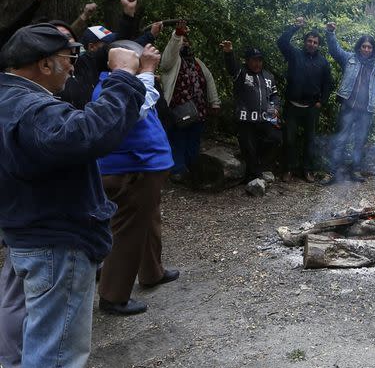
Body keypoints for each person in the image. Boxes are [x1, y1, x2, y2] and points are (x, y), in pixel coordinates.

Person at [0, 24, 146, 368]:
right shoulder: (31, 110)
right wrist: (124, 77)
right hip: (56, 244)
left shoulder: (8, 99)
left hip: (30, 234)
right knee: (55, 362)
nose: (74, 68)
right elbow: (88, 134)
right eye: (69, 59)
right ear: (45, 64)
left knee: (43, 346)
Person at [93, 40, 179, 316]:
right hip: (131, 171)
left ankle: (152, 271)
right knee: (127, 231)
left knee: (149, 219)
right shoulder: (114, 87)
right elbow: (139, 108)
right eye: (137, 58)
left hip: (147, 169)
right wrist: (148, 70)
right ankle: (113, 296)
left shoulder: (128, 83)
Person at [321, 22, 375, 184]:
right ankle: (333, 172)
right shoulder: (349, 59)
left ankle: (355, 171)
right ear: (359, 47)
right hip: (348, 108)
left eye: (369, 47)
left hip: (365, 111)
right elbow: (335, 50)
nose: (366, 49)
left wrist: (369, 100)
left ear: (373, 49)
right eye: (364, 46)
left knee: (359, 141)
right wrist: (330, 33)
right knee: (341, 140)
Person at [160, 20, 221, 178]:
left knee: (193, 142)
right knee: (178, 140)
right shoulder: (171, 62)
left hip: (198, 111)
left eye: (186, 41)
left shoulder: (198, 63)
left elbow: (209, 81)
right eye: (182, 42)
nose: (184, 44)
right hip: (178, 110)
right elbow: (167, 59)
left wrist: (214, 102)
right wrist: (177, 35)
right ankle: (178, 171)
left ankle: (193, 169)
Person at [277, 17, 333, 183]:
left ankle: (308, 170)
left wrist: (321, 102)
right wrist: (295, 27)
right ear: (305, 42)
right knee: (289, 139)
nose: (312, 44)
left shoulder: (323, 62)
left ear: (318, 45)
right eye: (309, 41)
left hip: (311, 108)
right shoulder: (294, 55)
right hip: (292, 106)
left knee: (310, 140)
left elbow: (327, 85)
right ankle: (288, 169)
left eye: (315, 42)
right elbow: (281, 42)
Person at [221, 41, 282, 182]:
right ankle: (253, 177)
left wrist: (275, 109)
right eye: (254, 60)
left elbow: (274, 95)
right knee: (248, 146)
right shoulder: (241, 72)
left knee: (276, 138)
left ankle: (260, 167)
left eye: (260, 60)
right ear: (247, 61)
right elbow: (231, 68)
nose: (257, 64)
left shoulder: (268, 76)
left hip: (265, 118)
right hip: (245, 119)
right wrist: (229, 53)